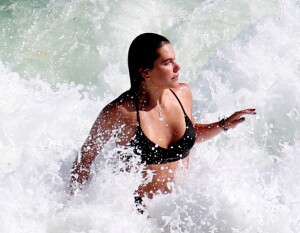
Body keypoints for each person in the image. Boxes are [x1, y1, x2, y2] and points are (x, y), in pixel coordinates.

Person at [69, 33, 256, 212]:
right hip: (138, 216)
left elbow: (193, 133)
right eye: (167, 63)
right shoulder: (121, 112)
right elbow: (84, 159)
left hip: (180, 206)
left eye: (174, 60)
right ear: (145, 72)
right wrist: (75, 207)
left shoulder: (182, 94)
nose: (177, 67)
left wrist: (223, 124)